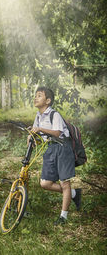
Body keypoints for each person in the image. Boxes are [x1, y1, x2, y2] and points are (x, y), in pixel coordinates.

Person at [27, 86, 81, 225]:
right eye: (35, 95)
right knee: (45, 183)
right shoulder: (38, 116)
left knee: (65, 183)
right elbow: (38, 134)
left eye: (39, 95)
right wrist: (32, 137)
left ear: (48, 101)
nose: (35, 98)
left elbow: (57, 133)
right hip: (51, 149)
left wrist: (39, 129)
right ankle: (74, 194)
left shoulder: (54, 114)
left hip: (62, 148)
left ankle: (63, 217)